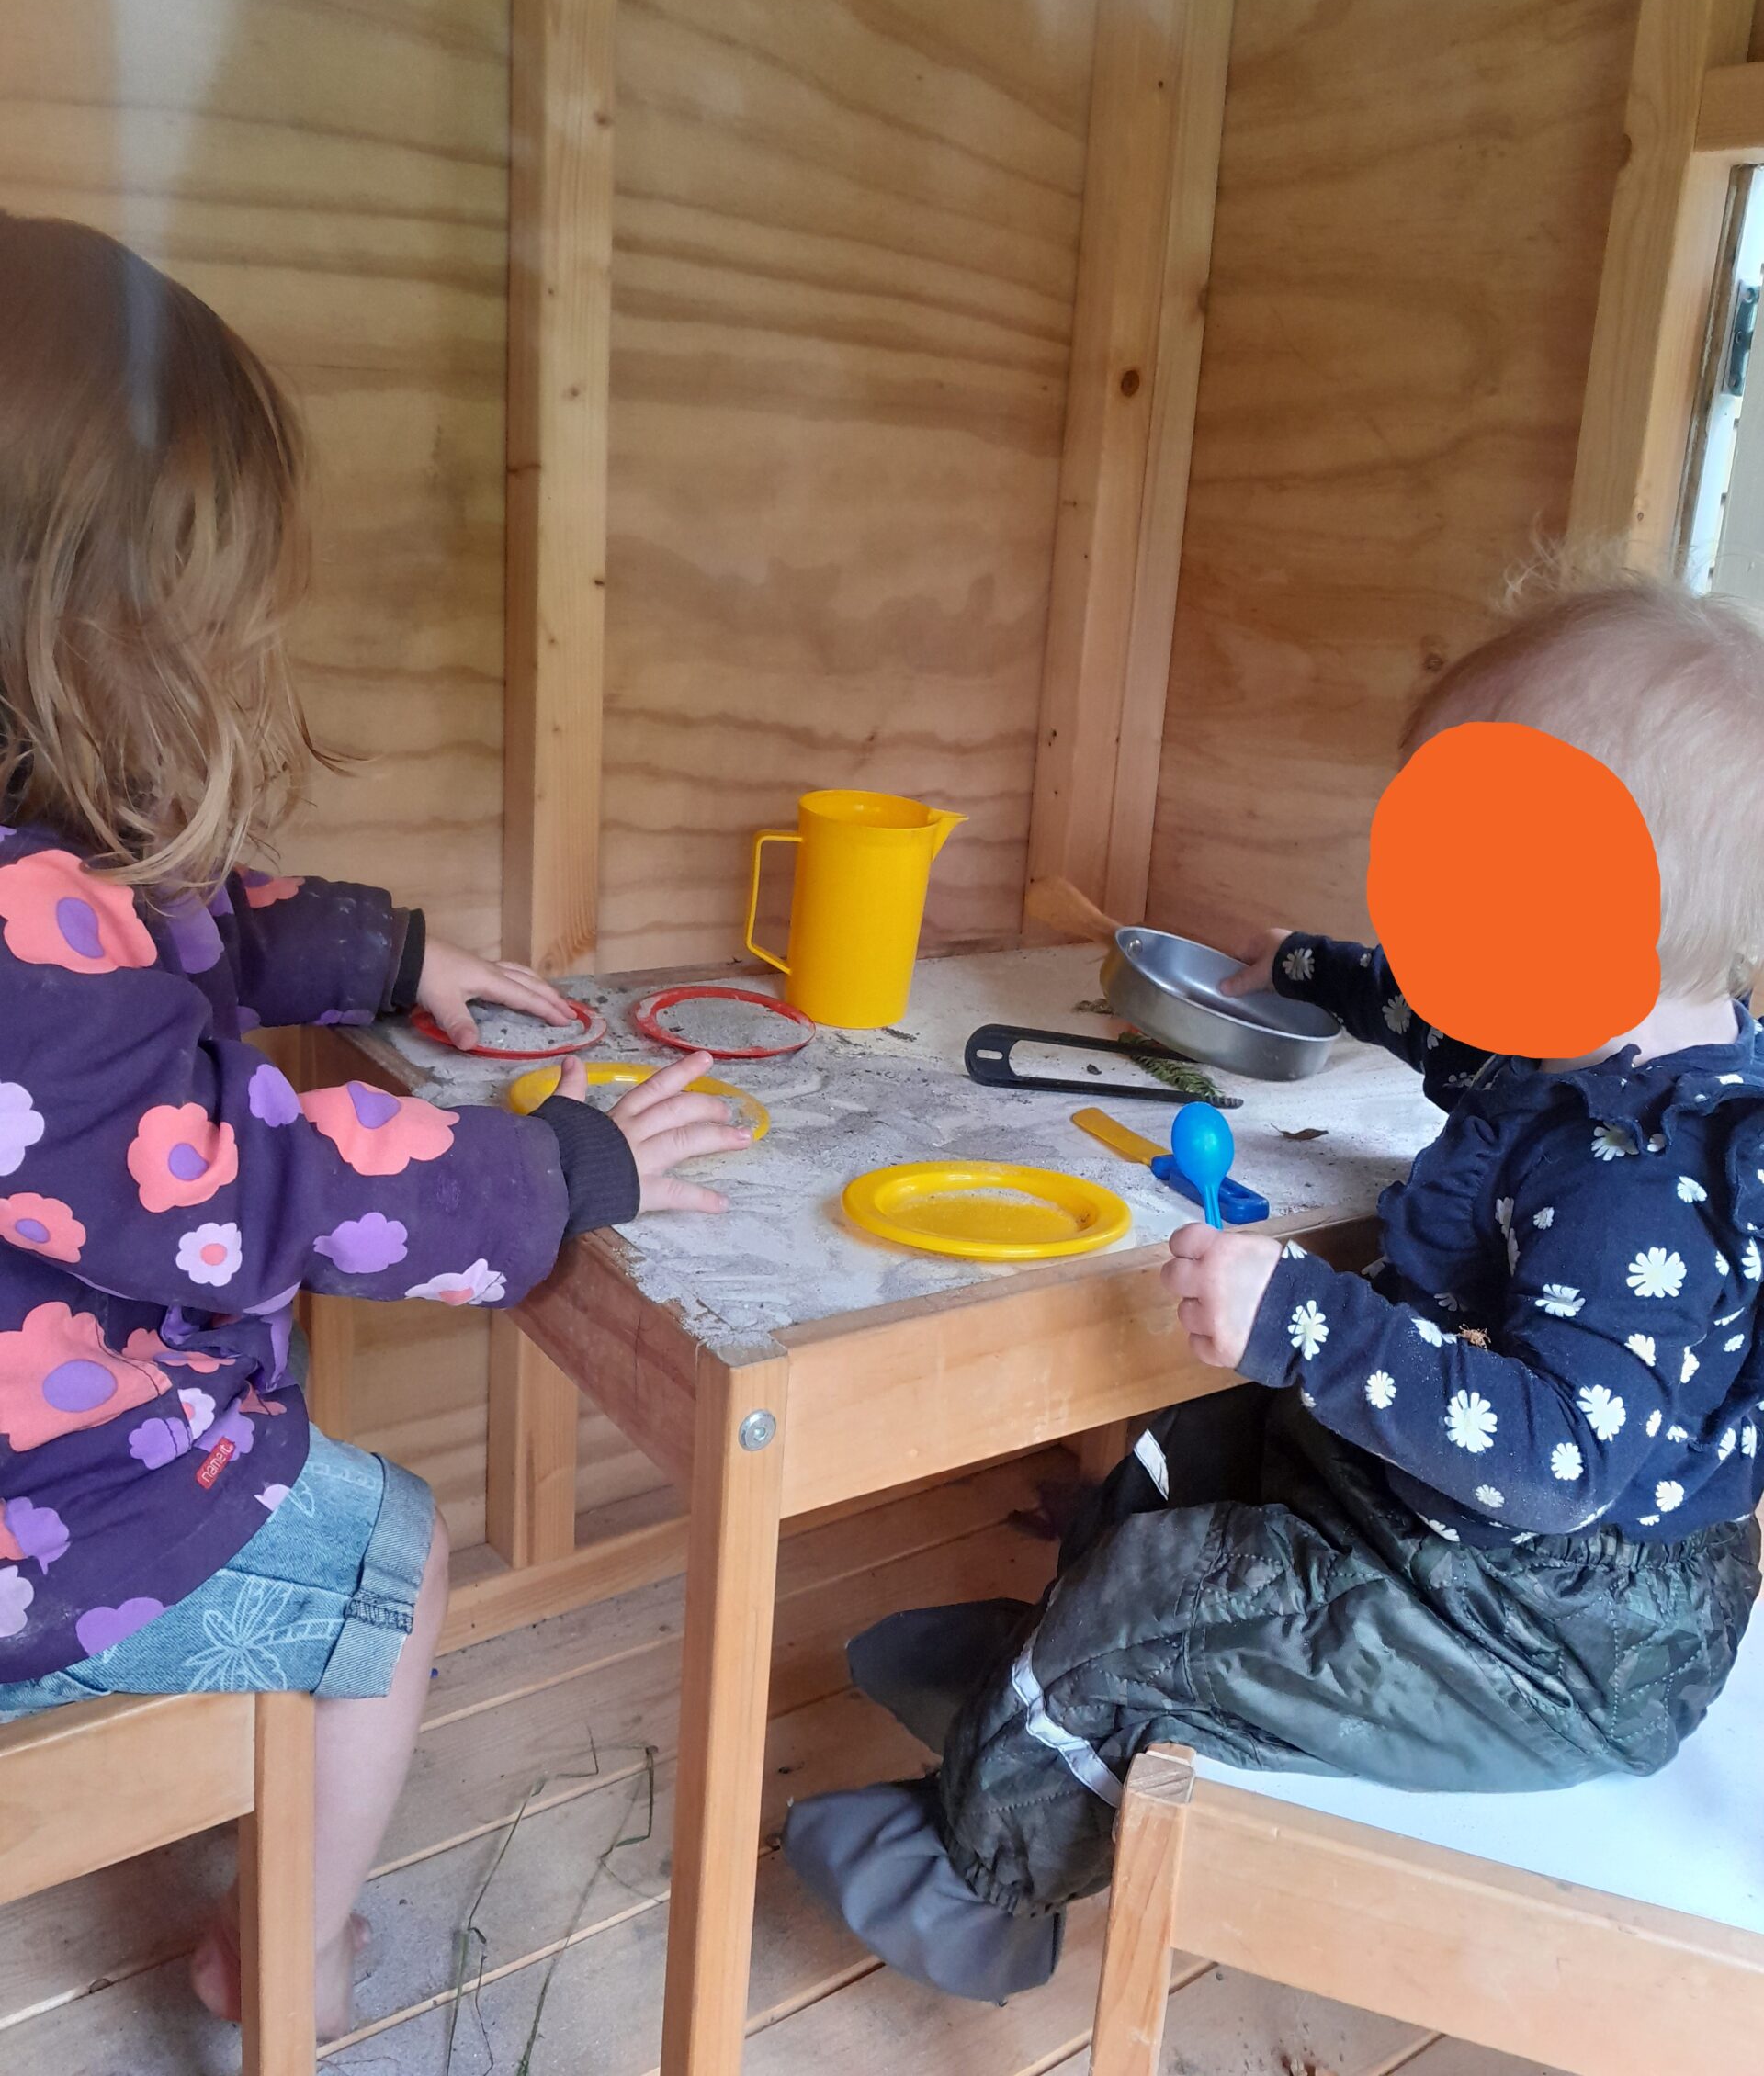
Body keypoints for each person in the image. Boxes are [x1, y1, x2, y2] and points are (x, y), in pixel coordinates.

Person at [784, 577, 1764, 2002]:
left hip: (1551, 1637)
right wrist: (1306, 971)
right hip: (1461, 1544)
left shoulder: (1640, 1188)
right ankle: (1037, 1691)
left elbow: (1556, 1459)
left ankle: (975, 1881)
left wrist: (1314, 1320)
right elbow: (1439, 1023)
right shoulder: (1586, 1027)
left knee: (1159, 1597)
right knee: (1196, 1443)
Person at [0, 212, 748, 2037]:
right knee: (385, 1558)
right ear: (70, 621)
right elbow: (243, 1192)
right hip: (41, 1516)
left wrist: (391, 956)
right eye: (190, 614)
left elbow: (171, 923)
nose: (222, 650)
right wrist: (558, 1167)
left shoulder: (42, 856)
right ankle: (290, 1954)